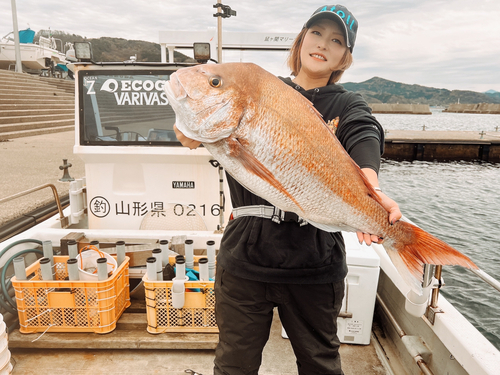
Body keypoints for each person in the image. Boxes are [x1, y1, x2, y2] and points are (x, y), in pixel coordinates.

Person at [175, 4, 402, 374]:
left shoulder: (347, 104)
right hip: (245, 257)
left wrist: (371, 186)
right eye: (316, 33)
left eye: (336, 40)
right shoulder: (259, 88)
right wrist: (188, 127)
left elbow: (364, 133)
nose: (323, 44)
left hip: (314, 261)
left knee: (319, 363)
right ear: (300, 40)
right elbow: (190, 133)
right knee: (233, 364)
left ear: (345, 56)